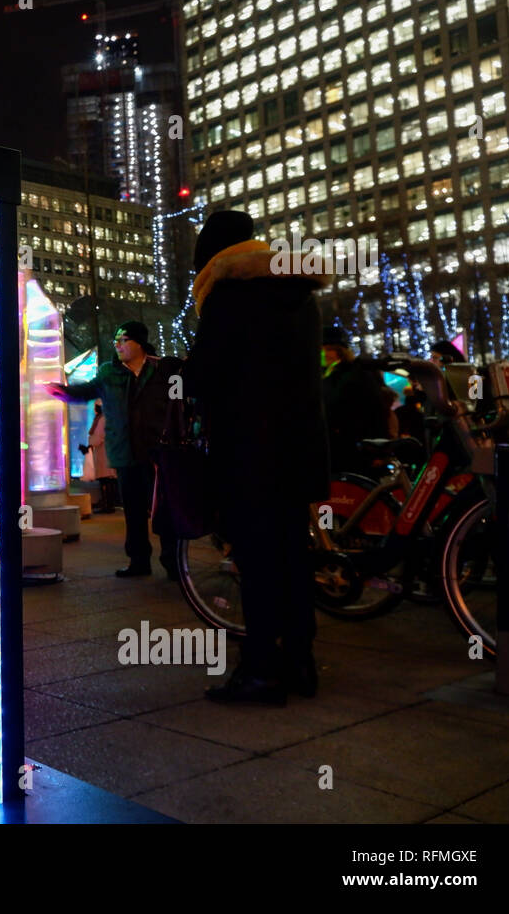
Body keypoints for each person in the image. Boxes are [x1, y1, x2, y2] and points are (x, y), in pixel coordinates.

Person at [183, 210, 331, 705]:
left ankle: (262, 670)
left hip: (249, 452)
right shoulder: (302, 297)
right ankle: (300, 663)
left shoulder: (230, 296)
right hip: (298, 450)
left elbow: (205, 377)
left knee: (257, 561)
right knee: (293, 555)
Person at [48, 321, 181, 579]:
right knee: (133, 511)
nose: (118, 344)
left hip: (158, 453)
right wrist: (60, 391)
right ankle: (139, 561)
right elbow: (85, 391)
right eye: (116, 340)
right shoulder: (109, 372)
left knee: (164, 509)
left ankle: (173, 562)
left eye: (124, 340)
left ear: (139, 343)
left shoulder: (160, 369)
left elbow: (179, 398)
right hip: (125, 452)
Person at [321, 326, 393, 475]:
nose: (324, 354)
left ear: (341, 351)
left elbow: (376, 411)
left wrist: (380, 451)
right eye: (322, 349)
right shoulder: (328, 375)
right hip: (340, 448)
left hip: (357, 447)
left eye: (329, 349)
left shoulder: (355, 374)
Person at [83, 401, 117, 513]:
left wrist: (91, 442)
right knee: (107, 479)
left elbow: (98, 437)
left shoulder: (102, 419)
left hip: (104, 453)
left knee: (105, 479)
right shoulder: (105, 417)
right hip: (105, 453)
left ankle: (108, 505)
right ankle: (108, 504)